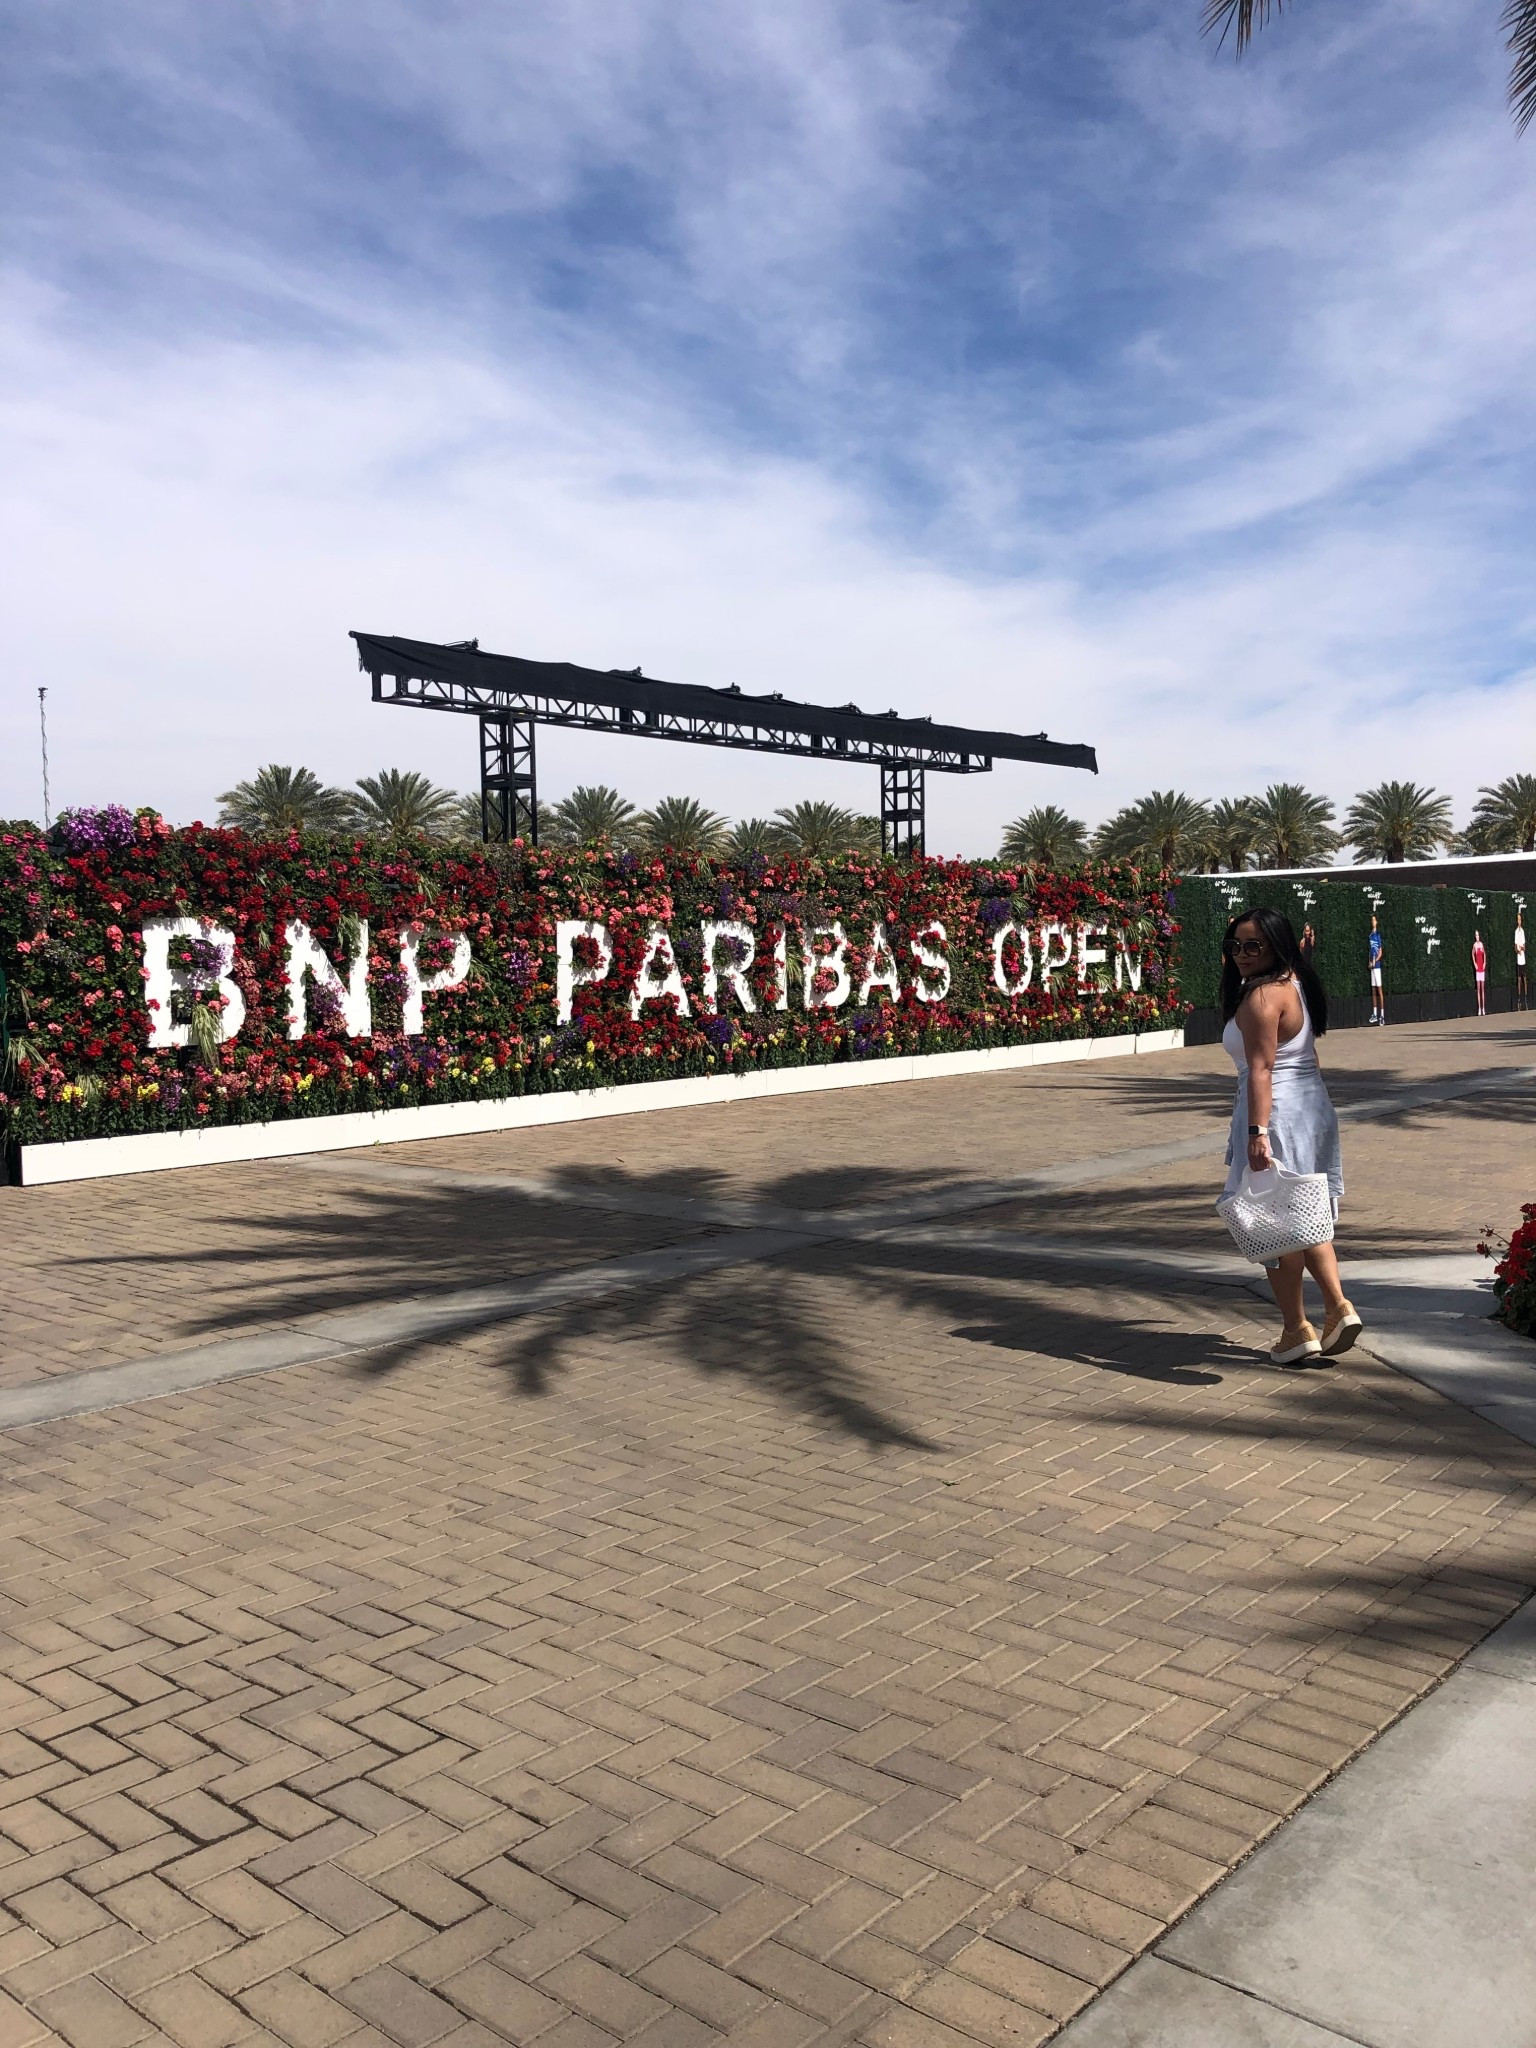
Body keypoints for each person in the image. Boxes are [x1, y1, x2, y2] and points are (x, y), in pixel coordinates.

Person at [1221, 907, 1359, 1367]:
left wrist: (1258, 1133)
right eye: (1235, 946)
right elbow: (1310, 1058)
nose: (1241, 954)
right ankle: (1338, 1308)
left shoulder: (1262, 998)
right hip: (1309, 1109)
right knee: (1305, 1214)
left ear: (1276, 946)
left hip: (1274, 1113)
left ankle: (1296, 1328)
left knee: (1273, 1223)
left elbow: (1261, 1069)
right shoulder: (1295, 985)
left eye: (1252, 945)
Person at [1367, 914, 1385, 1024]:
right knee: (1373, 990)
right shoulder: (1370, 936)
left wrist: (1376, 961)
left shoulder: (1378, 935)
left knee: (1379, 990)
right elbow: (1370, 951)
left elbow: (1380, 951)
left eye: (1374, 920)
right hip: (1372, 966)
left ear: (1377, 922)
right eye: (1371, 920)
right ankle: (1374, 1014)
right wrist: (1370, 962)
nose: (1373, 922)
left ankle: (1382, 1016)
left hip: (1377, 967)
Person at [1472, 929, 1487, 1018]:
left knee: (1482, 989)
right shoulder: (1474, 945)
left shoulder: (1481, 944)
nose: (1477, 937)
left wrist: (1484, 963)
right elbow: (1472, 954)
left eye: (1478, 935)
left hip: (1482, 968)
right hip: (1478, 969)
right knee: (1478, 989)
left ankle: (1483, 1008)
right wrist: (1475, 963)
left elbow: (1484, 954)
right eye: (1476, 935)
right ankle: (1479, 1009)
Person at [1516, 911, 1528, 1011]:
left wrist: (1522, 949)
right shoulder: (1516, 932)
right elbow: (1515, 946)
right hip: (1518, 959)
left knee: (1524, 978)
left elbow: (1524, 946)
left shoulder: (1522, 931)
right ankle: (1519, 1000)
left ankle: (1526, 999)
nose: (1519, 921)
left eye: (1520, 920)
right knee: (1519, 979)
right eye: (1518, 920)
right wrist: (1517, 950)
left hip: (1523, 959)